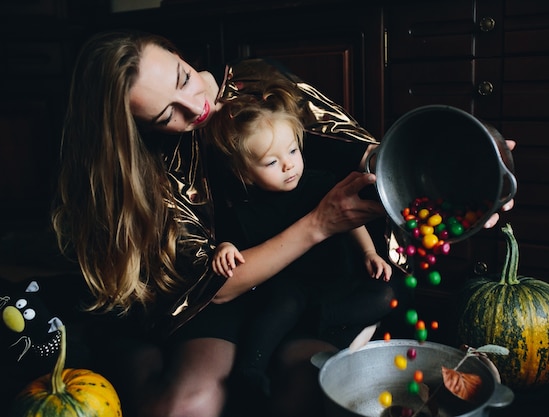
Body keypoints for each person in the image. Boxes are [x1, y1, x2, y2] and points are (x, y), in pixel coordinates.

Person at [50, 29, 514, 417]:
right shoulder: (145, 171)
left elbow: (357, 150)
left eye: (183, 78)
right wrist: (319, 222)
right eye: (166, 114)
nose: (194, 107)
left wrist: (461, 177)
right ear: (136, 128)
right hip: (212, 290)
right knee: (187, 405)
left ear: (178, 54)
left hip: (300, 280)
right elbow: (216, 286)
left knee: (309, 387)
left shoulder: (255, 84)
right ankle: (121, 346)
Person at [208, 83, 394, 403]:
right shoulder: (245, 209)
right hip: (287, 287)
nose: (289, 165)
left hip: (332, 283)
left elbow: (351, 221)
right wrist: (224, 249)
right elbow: (230, 243)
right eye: (271, 162)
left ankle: (307, 323)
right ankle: (249, 371)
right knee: (283, 304)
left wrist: (369, 252)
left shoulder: (319, 182)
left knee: (384, 295)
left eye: (293, 151)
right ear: (245, 173)